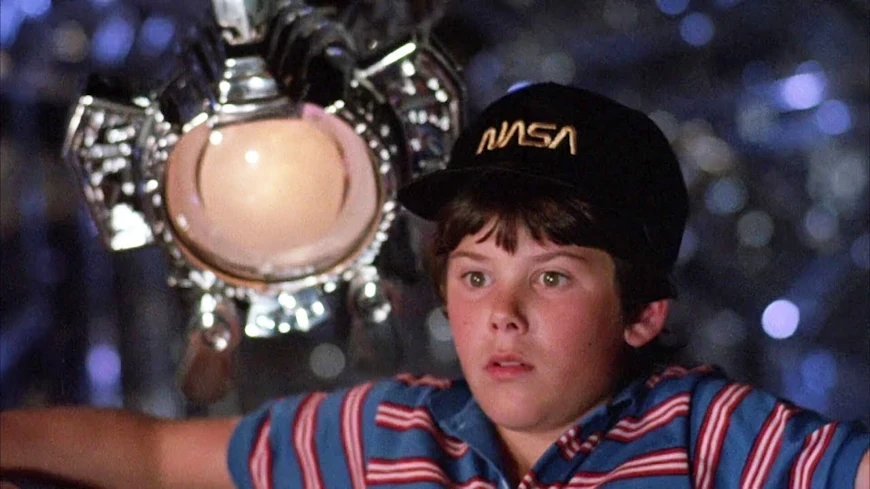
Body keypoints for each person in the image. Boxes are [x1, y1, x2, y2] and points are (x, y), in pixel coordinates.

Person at [1, 82, 868, 489]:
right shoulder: (386, 433)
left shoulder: (707, 435)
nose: (503, 315)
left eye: (552, 276)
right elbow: (155, 458)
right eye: (476, 274)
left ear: (641, 313)